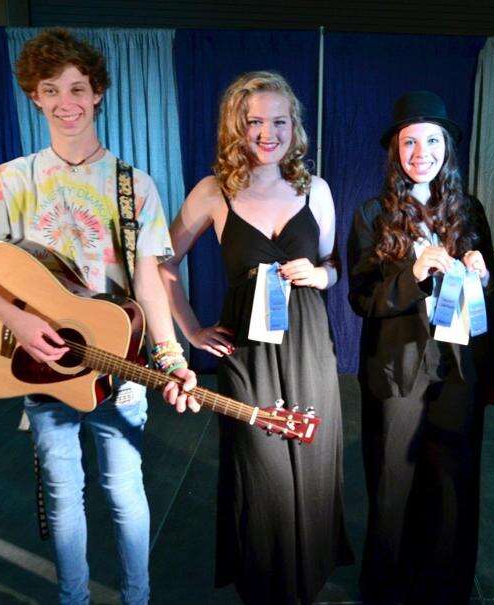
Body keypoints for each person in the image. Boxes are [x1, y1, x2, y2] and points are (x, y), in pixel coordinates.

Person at [0, 28, 197, 605]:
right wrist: (14, 318)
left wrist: (170, 357)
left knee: (125, 490)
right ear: (35, 97)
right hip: (42, 364)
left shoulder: (133, 186)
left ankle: (137, 598)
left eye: (76, 88)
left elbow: (149, 282)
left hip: (118, 364)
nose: (65, 102)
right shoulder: (13, 179)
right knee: (64, 495)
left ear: (97, 94)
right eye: (51, 89)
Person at [159, 71, 353, 605]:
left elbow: (333, 265)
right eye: (256, 122)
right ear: (236, 128)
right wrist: (191, 329)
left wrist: (321, 276)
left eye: (279, 122)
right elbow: (163, 262)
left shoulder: (316, 190)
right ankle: (266, 584)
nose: (269, 133)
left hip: (309, 344)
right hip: (247, 352)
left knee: (313, 460)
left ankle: (307, 581)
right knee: (261, 466)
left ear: (294, 127)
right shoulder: (213, 191)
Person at [347, 91, 494, 605]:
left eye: (432, 141)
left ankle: (447, 589)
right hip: (398, 369)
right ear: (396, 151)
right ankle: (387, 590)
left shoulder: (469, 211)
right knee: (394, 482)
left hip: (458, 368)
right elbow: (361, 298)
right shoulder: (372, 214)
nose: (422, 153)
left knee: (454, 481)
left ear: (446, 149)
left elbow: (493, 293)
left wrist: (484, 276)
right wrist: (412, 275)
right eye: (410, 142)